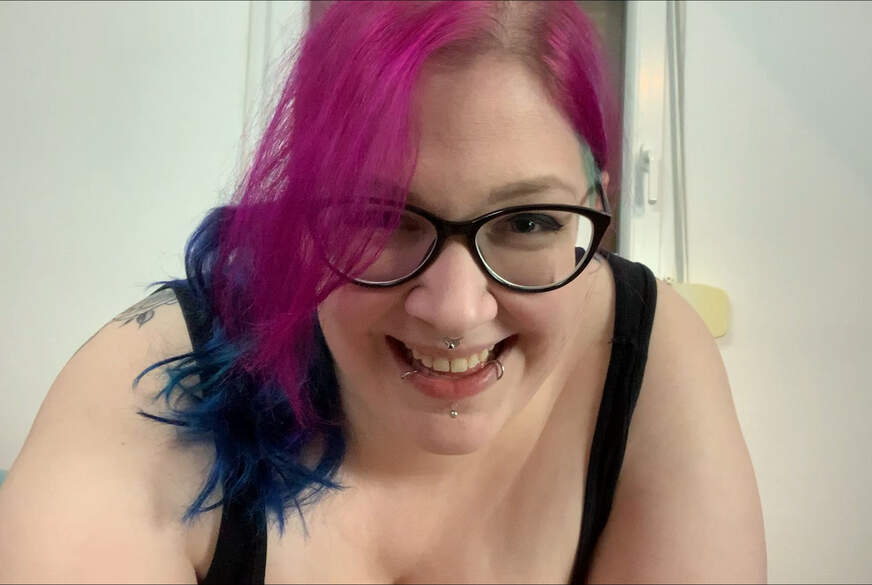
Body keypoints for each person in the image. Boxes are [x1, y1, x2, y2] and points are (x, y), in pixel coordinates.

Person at [0, 1, 766, 582]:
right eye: (380, 216)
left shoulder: (648, 354)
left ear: (597, 208)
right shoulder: (151, 389)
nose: (456, 309)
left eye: (529, 221)